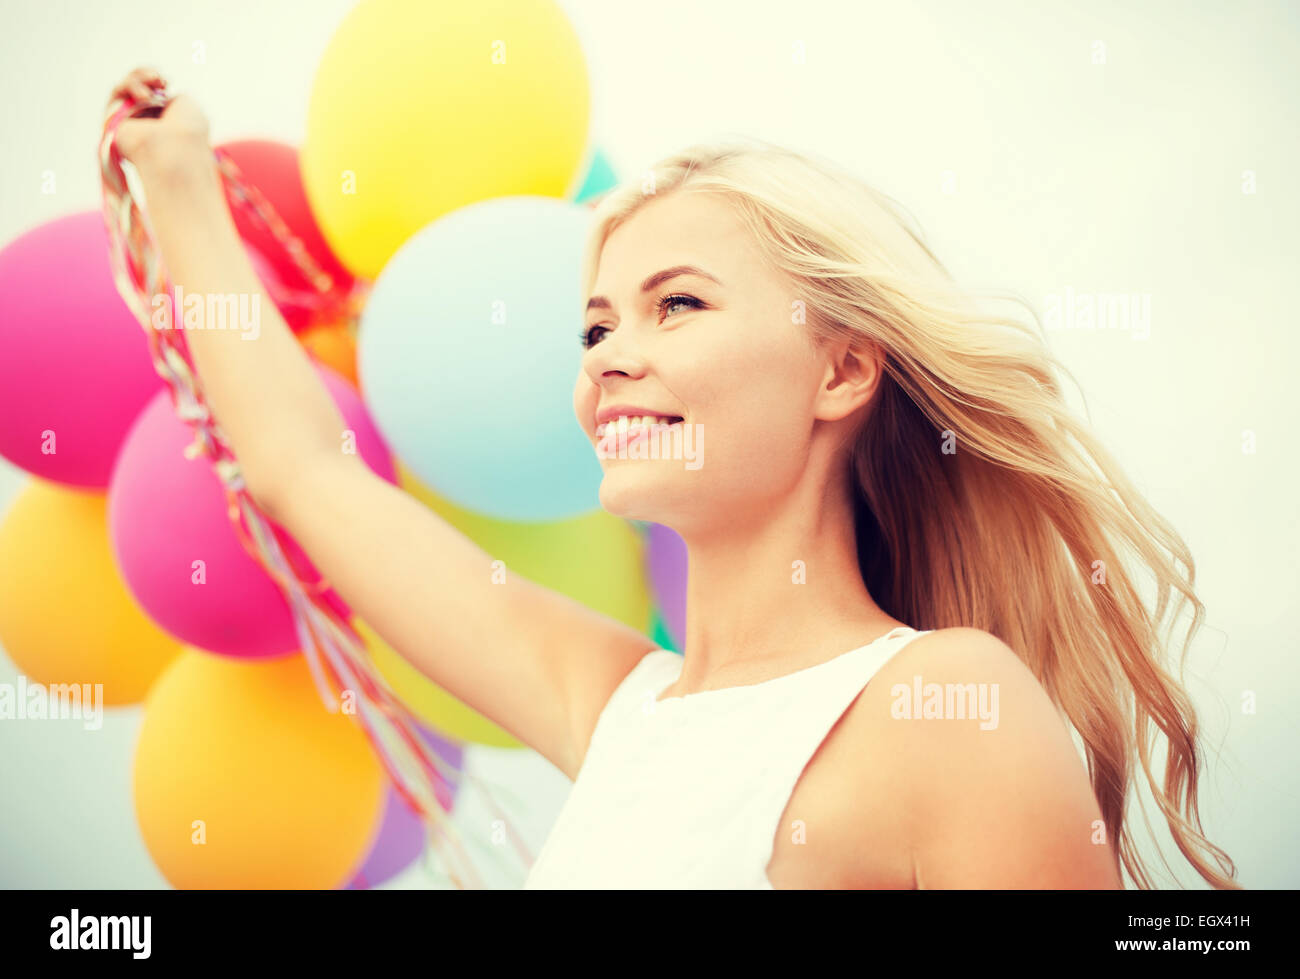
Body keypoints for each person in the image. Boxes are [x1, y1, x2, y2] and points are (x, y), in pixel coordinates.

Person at [108, 67, 1237, 889]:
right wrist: (179, 185)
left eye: (677, 305)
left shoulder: (953, 704)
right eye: (593, 327)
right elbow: (309, 472)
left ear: (840, 369)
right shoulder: (613, 710)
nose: (607, 357)